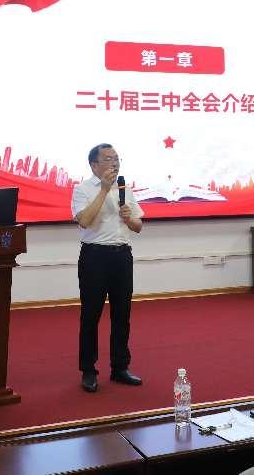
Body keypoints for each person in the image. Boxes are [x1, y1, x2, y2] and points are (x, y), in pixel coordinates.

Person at [71, 143, 144, 393]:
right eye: (108, 159)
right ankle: (88, 370)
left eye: (117, 158)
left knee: (122, 314)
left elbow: (138, 226)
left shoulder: (125, 188)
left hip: (122, 256)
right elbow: (84, 221)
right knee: (91, 315)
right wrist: (103, 190)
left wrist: (129, 218)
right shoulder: (82, 189)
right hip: (94, 257)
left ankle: (120, 367)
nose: (115, 163)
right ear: (94, 165)